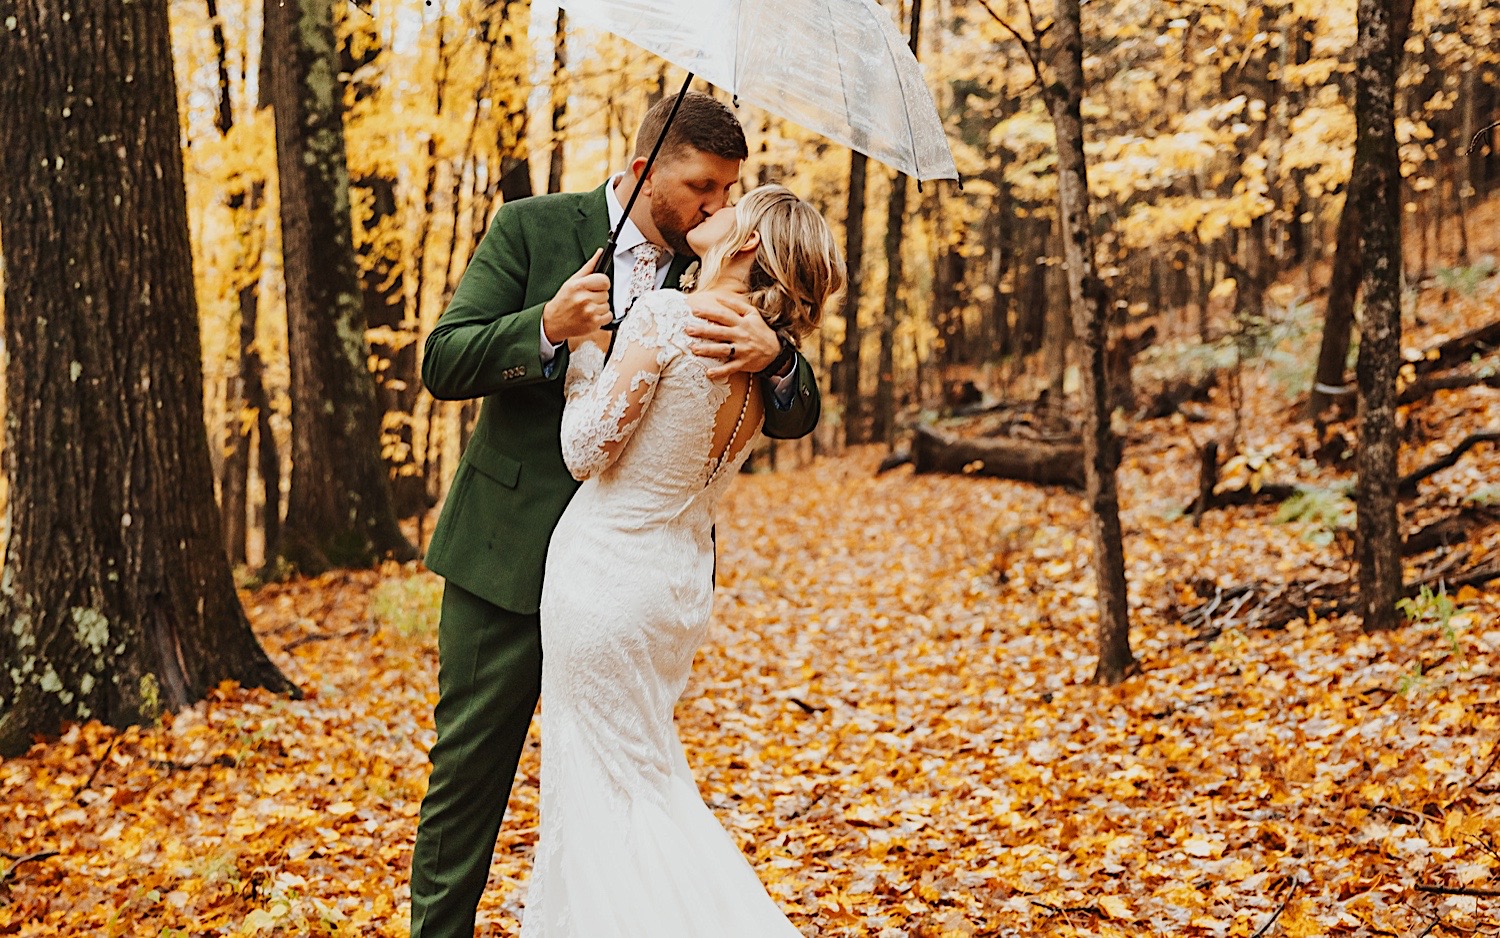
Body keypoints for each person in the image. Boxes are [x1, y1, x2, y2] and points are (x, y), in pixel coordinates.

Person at [411, 92, 821, 938]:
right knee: (467, 783)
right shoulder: (531, 227)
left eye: (728, 191)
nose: (716, 207)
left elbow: (797, 406)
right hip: (508, 559)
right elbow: (444, 359)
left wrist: (778, 355)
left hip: (623, 582)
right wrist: (549, 328)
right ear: (642, 171)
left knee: (608, 779)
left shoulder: (712, 278)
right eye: (702, 186)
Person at [521, 185, 845, 935]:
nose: (712, 211)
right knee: (645, 780)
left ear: (747, 246)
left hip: (606, 579)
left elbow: (583, 451)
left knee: (603, 789)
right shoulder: (760, 364)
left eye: (733, 207)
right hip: (672, 586)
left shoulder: (672, 318)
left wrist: (584, 352)